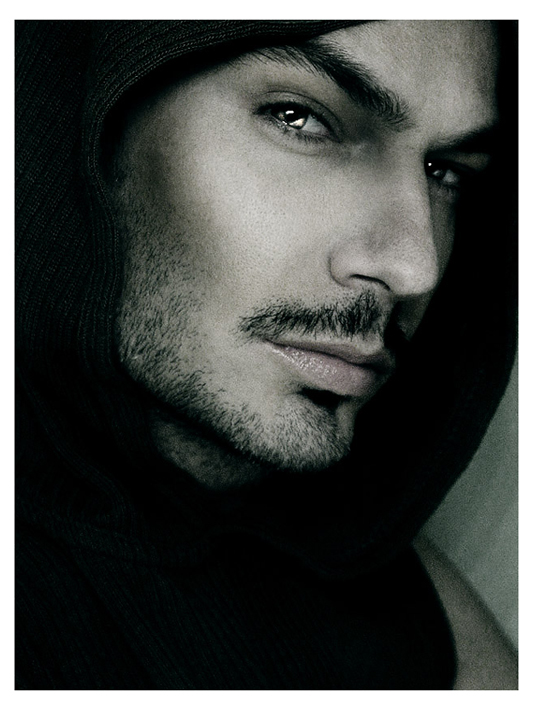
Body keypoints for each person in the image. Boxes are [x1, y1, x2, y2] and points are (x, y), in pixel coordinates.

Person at [15, 20, 518, 690]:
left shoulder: (408, 607)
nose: (414, 267)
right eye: (299, 119)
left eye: (444, 171)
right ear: (82, 118)